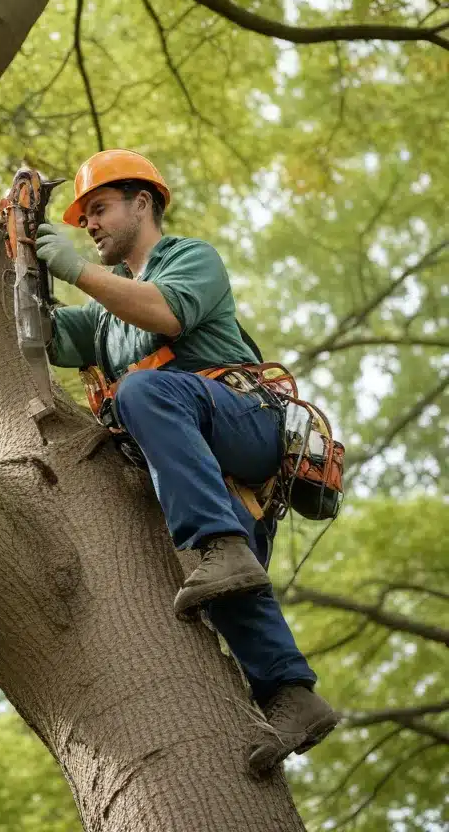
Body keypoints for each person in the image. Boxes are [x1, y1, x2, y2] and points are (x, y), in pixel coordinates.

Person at [34, 149, 340, 774]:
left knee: (144, 391)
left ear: (142, 203)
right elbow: (48, 335)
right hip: (206, 473)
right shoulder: (103, 320)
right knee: (228, 584)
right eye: (83, 218)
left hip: (245, 423)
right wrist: (27, 273)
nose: (88, 225)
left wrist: (73, 269)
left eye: (99, 209)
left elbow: (165, 312)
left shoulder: (190, 260)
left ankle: (218, 541)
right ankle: (292, 695)